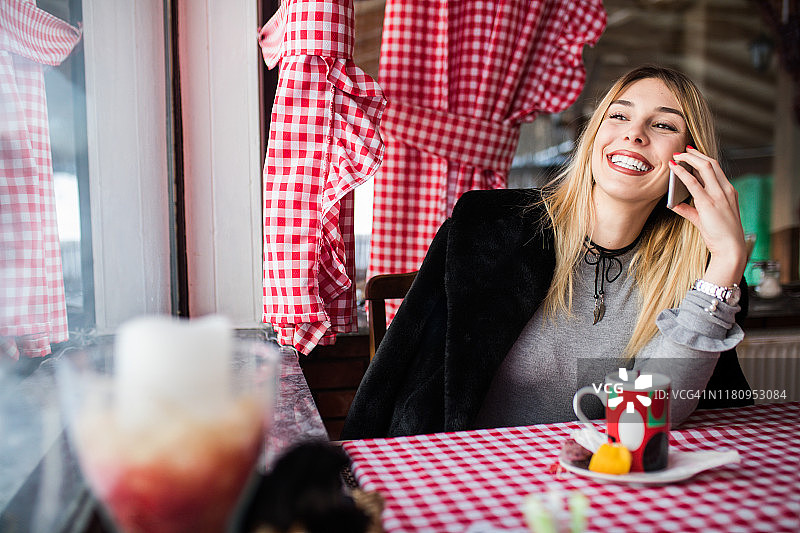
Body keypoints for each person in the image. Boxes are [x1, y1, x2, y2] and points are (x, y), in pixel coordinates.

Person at [341, 65, 752, 440]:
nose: (634, 133)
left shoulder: (701, 273)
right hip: (474, 476)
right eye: (620, 115)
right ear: (595, 134)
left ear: (692, 162)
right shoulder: (489, 226)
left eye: (663, 125)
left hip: (605, 482)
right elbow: (396, 369)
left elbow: (649, 416)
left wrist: (727, 258)